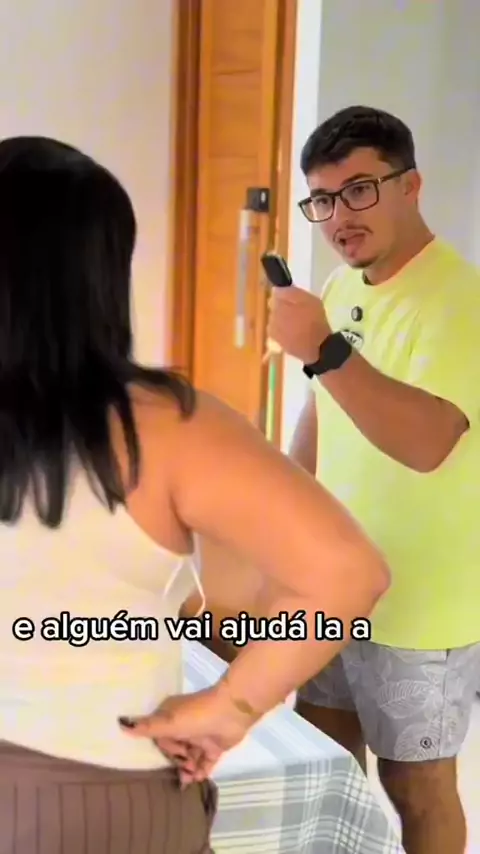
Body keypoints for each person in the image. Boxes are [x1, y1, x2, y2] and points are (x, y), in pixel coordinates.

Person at [0, 136, 389, 854]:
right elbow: (349, 573)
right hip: (105, 788)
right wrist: (231, 706)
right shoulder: (168, 427)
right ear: (102, 275)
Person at [267, 105, 480, 854]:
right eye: (322, 199)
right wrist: (282, 522)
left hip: (421, 603)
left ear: (410, 185)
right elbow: (322, 412)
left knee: (417, 788)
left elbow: (428, 443)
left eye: (359, 190)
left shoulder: (462, 302)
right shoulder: (342, 285)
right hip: (339, 580)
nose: (338, 217)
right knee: (326, 763)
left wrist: (325, 350)